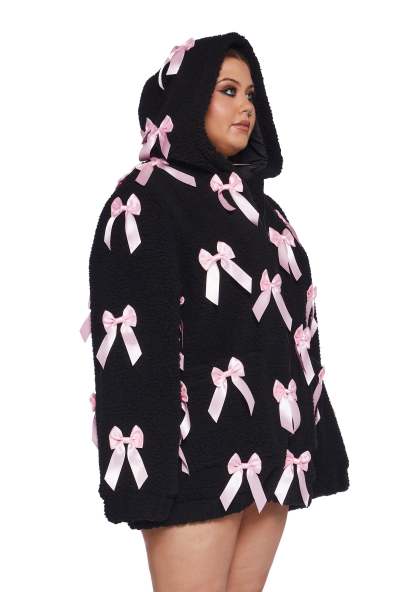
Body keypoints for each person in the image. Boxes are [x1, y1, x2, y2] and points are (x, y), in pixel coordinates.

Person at [84, 32, 350, 592]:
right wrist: (146, 485)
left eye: (251, 93)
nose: (246, 106)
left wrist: (316, 447)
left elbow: (298, 341)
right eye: (227, 90)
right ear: (186, 100)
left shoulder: (266, 213)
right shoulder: (145, 202)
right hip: (193, 467)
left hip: (271, 460)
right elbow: (136, 359)